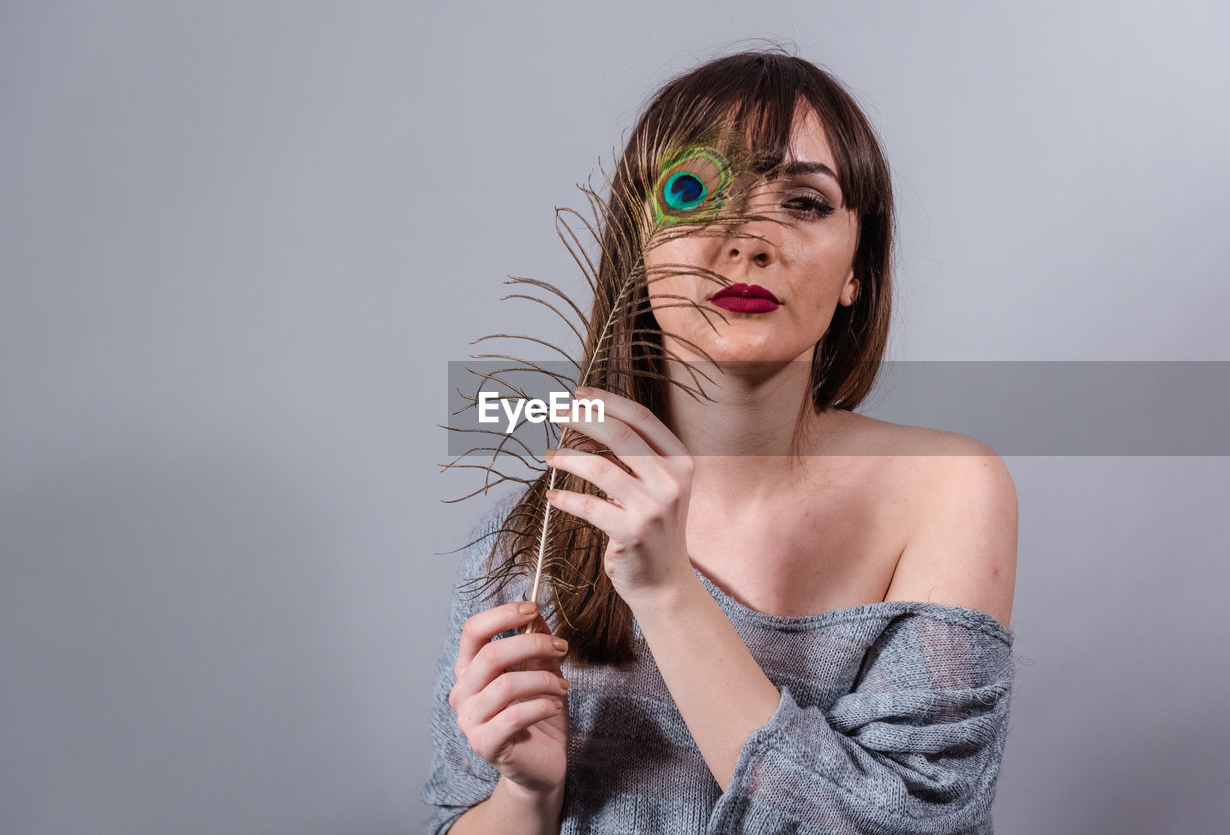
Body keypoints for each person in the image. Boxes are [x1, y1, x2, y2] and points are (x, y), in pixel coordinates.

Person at [423, 50, 1018, 834]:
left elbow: (902, 826)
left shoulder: (946, 491)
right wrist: (527, 796)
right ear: (640, 245)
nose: (748, 239)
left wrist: (669, 594)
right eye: (693, 191)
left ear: (857, 272)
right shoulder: (536, 534)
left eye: (804, 202)